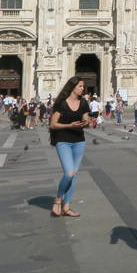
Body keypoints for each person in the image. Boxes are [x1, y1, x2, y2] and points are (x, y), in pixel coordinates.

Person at [49, 77, 91, 218]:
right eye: (80, 86)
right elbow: (53, 124)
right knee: (69, 173)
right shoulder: (61, 103)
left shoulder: (83, 102)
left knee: (73, 175)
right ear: (72, 87)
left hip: (79, 141)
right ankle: (58, 199)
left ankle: (66, 207)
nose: (82, 89)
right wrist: (69, 125)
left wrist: (88, 122)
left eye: (83, 86)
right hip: (63, 141)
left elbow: (86, 120)